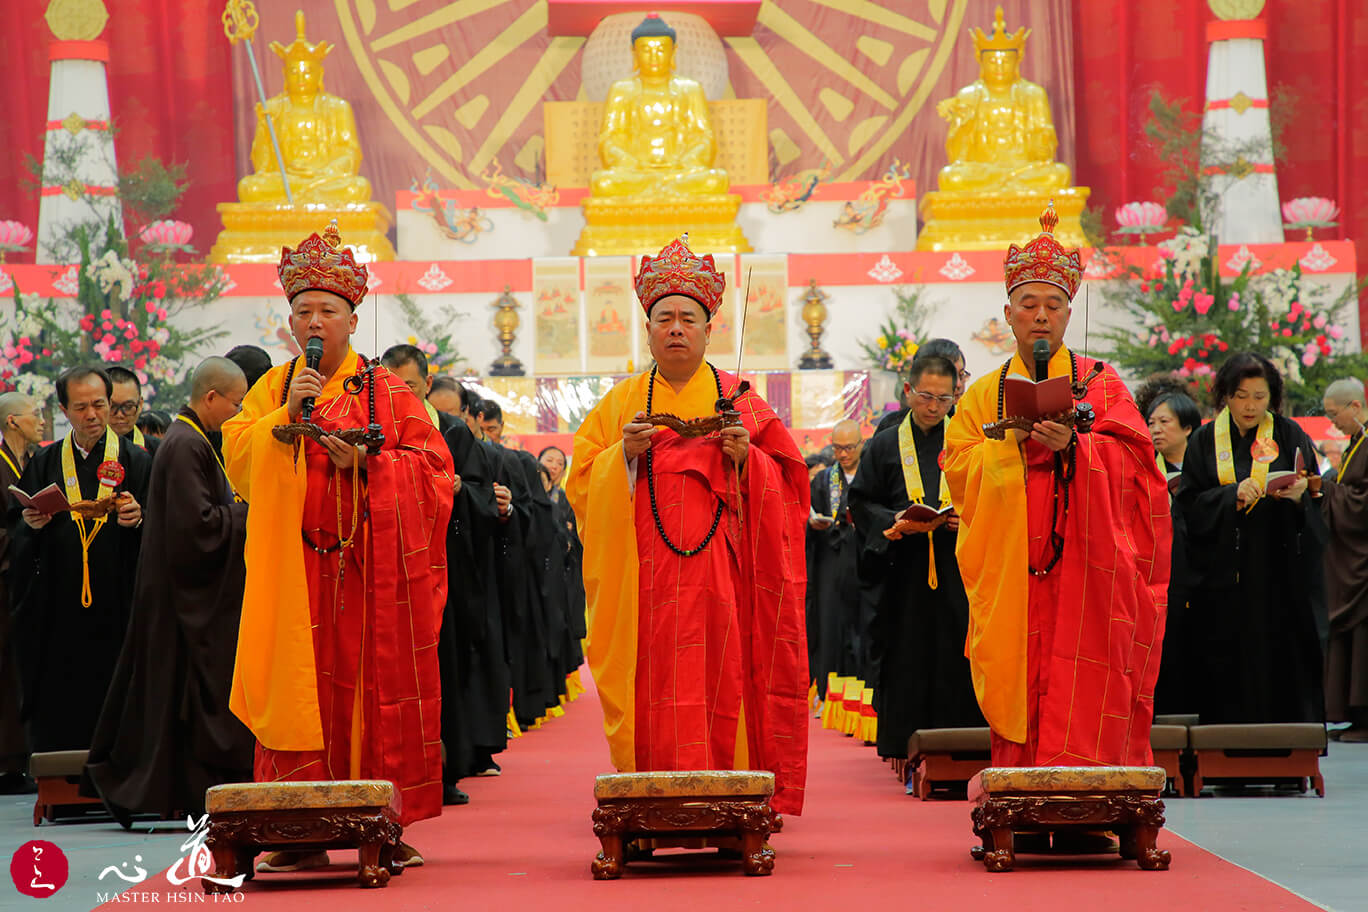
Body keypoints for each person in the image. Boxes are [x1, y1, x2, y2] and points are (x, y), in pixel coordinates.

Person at [221, 223, 454, 870]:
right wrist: (282, 424)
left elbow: (436, 470)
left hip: (367, 572)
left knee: (370, 693)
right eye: (303, 311)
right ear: (289, 323)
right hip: (294, 573)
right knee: (300, 694)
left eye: (328, 309)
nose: (315, 320)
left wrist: (368, 468)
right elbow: (239, 457)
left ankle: (381, 821)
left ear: (353, 319)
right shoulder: (273, 388)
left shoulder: (389, 392)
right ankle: (295, 830)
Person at [567, 236, 810, 814]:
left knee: (724, 680)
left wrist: (748, 460)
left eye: (688, 318)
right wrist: (619, 460)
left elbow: (793, 485)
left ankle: (734, 797)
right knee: (653, 685)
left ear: (708, 329)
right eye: (664, 318)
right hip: (645, 583)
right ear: (646, 329)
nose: (676, 328)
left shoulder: (743, 403)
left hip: (723, 579)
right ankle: (651, 798)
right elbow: (580, 485)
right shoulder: (621, 403)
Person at [944, 206, 1170, 769]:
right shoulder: (983, 395)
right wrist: (1011, 445)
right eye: (1029, 305)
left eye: (1053, 305)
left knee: (1089, 670)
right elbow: (958, 467)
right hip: (1015, 564)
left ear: (1069, 311)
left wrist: (1078, 448)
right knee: (1021, 672)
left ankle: (1093, 798)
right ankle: (1020, 797)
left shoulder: (1099, 383)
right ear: (1008, 313)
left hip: (1088, 567)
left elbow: (1143, 469)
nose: (1040, 316)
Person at [85, 358, 253, 823]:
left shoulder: (195, 440)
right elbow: (195, 528)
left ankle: (188, 789)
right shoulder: (184, 446)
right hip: (180, 597)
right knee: (178, 697)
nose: (239, 414)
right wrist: (247, 513)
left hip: (182, 593)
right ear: (212, 398)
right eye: (237, 404)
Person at [1176, 352, 1324, 725]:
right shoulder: (1205, 440)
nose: (1250, 405)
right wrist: (1230, 498)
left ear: (1272, 398)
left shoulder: (1290, 434)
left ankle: (1283, 757)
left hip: (1278, 575)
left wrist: (1299, 497)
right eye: (1241, 395)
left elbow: (1315, 497)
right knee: (1223, 664)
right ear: (1225, 395)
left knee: (1279, 661)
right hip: (1221, 579)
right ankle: (1224, 756)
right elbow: (1188, 506)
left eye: (1260, 396)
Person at [8, 367, 150, 753]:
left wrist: (140, 520)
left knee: (120, 684)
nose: (92, 415)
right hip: (60, 602)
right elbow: (19, 536)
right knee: (64, 687)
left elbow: (163, 529)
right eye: (82, 407)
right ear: (64, 410)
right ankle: (63, 776)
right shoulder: (45, 461)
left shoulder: (137, 461)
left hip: (120, 599)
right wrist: (31, 526)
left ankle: (123, 772)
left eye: (100, 405)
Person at [850, 355, 984, 764]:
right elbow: (859, 501)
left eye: (944, 399)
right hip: (902, 570)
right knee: (905, 654)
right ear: (908, 391)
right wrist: (892, 521)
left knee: (956, 653)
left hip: (955, 567)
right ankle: (906, 749)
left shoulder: (965, 441)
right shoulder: (885, 443)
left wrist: (970, 518)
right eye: (926, 396)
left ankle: (961, 749)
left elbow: (990, 495)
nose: (933, 407)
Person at [1138, 383, 1203, 714]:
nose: (1156, 429)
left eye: (1165, 422)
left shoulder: (1206, 473)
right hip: (1163, 582)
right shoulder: (1146, 472)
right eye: (1151, 423)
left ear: (1188, 426)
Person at [1319, 378, 1368, 741]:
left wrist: (1326, 489)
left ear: (1354, 407)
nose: (1332, 423)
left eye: (1335, 415)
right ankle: (1353, 716)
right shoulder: (1356, 443)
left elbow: (1361, 503)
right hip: (1350, 560)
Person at [806, 419, 870, 697]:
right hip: (831, 560)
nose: (843, 454)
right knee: (830, 624)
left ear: (861, 444)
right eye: (837, 448)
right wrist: (812, 525)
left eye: (849, 448)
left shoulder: (872, 474)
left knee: (864, 626)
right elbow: (807, 517)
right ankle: (828, 693)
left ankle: (867, 692)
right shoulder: (823, 479)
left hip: (865, 562)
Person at [0, 392, 43, 793]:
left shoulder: (31, 462)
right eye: (35, 415)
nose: (42, 421)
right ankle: (8, 764)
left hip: (26, 581)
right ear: (13, 421)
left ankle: (22, 759)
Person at [875, 339, 968, 434]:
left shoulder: (968, 422)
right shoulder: (892, 426)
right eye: (950, 376)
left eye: (961, 375)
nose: (958, 384)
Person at [107, 365, 159, 455]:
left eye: (128, 407)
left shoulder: (158, 450)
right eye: (112, 406)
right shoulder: (83, 447)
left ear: (140, 404)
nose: (119, 414)